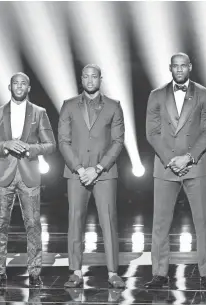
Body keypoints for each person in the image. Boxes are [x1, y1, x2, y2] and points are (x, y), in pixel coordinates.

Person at [145, 53, 206, 289]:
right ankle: (159, 274)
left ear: (190, 67)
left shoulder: (203, 94)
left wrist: (187, 157)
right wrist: (170, 159)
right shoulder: (156, 96)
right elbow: (152, 133)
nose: (179, 69)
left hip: (195, 165)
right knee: (160, 223)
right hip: (165, 166)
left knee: (203, 221)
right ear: (169, 68)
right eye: (175, 66)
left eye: (183, 66)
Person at [0, 72, 56, 287]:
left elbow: (50, 144)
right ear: (10, 86)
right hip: (3, 174)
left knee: (33, 225)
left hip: (29, 175)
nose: (19, 86)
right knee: (0, 226)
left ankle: (34, 273)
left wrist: (29, 148)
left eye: (23, 83)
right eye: (16, 83)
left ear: (29, 87)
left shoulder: (39, 113)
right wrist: (5, 144)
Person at [58, 64, 125, 288]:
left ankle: (113, 272)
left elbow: (117, 142)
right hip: (76, 173)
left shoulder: (114, 106)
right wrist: (79, 169)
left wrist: (97, 169)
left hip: (104, 174)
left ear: (100, 79)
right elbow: (63, 142)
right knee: (75, 221)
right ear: (81, 79)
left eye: (93, 76)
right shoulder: (68, 106)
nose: (89, 80)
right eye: (85, 76)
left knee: (108, 222)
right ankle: (75, 272)